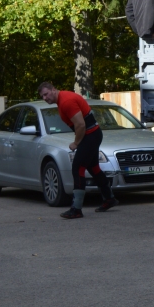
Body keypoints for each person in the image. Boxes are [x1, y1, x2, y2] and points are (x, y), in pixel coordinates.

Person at [37, 82, 117, 219]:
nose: (45, 98)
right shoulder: (62, 99)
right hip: (92, 134)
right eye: (42, 96)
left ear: (54, 89)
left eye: (46, 94)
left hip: (90, 135)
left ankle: (76, 208)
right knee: (93, 167)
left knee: (78, 168)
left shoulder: (66, 101)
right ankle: (109, 199)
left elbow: (80, 125)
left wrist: (76, 143)